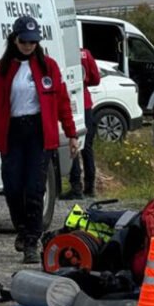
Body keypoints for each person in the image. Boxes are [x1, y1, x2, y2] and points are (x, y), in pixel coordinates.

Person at [0, 16, 79, 263]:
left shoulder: (49, 67)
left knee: (35, 189)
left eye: (33, 42)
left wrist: (71, 134)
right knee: (13, 188)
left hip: (39, 133)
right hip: (12, 132)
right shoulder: (2, 69)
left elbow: (62, 103)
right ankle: (23, 230)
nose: (28, 46)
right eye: (24, 41)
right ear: (14, 39)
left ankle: (32, 241)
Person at [61, 48, 101, 200]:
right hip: (85, 102)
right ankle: (90, 187)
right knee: (87, 146)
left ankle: (76, 186)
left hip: (69, 102)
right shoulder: (85, 54)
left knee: (73, 144)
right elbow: (96, 79)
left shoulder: (63, 52)